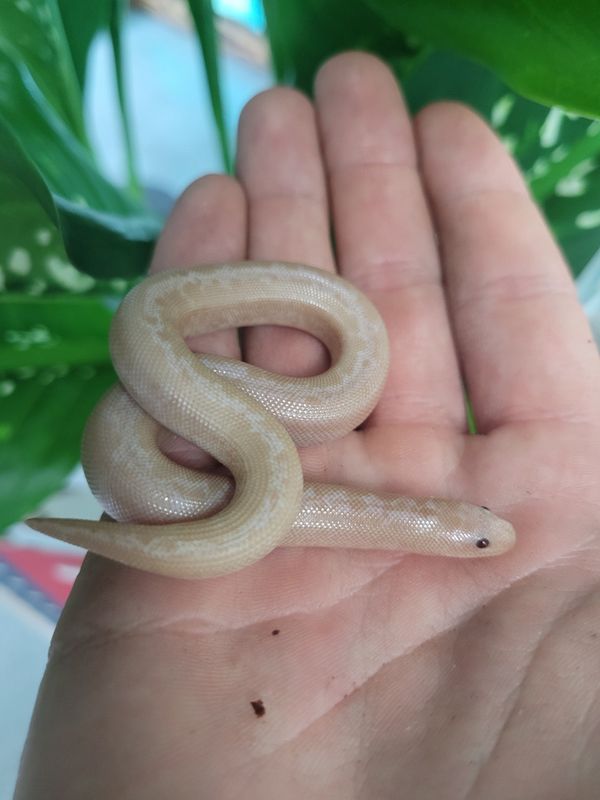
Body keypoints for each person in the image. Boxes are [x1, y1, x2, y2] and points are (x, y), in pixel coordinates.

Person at [14, 52, 600, 799]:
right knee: (192, 386)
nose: (481, 532)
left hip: (205, 385)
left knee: (207, 408)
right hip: (192, 358)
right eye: (479, 532)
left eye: (478, 534)